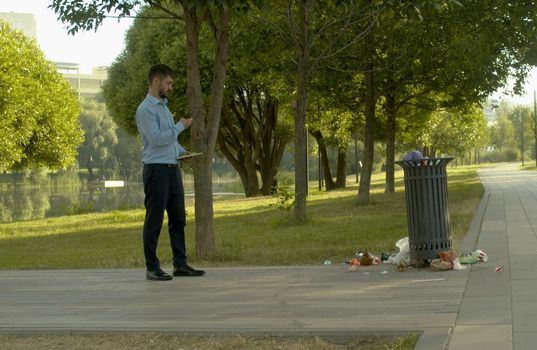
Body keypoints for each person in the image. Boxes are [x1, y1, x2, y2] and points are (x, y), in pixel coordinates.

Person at [135, 63, 205, 281]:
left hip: (173, 169)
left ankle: (180, 264)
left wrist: (184, 153)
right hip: (156, 171)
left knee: (178, 218)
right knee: (154, 219)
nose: (170, 87)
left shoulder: (164, 107)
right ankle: (152, 267)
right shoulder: (145, 110)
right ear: (156, 81)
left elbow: (169, 142)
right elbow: (156, 140)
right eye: (168, 82)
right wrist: (181, 126)